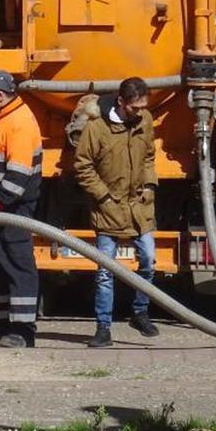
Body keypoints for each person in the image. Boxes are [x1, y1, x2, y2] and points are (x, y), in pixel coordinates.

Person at [74, 77, 160, 348]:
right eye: (135, 107)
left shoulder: (145, 121)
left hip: (139, 207)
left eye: (144, 106)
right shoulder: (97, 128)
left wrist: (149, 185)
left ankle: (140, 311)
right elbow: (83, 166)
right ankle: (103, 328)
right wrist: (103, 196)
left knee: (148, 259)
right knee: (105, 271)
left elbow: (148, 156)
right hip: (109, 209)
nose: (140, 112)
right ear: (121, 102)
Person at [0, 70, 42, 349]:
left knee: (18, 264)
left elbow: (18, 174)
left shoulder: (19, 123)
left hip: (14, 209)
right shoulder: (4, 119)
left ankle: (24, 330)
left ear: (0, 96)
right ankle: (0, 325)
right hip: (3, 210)